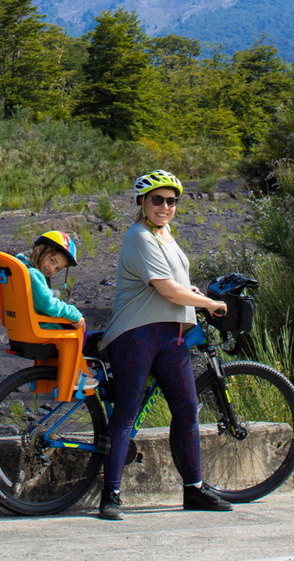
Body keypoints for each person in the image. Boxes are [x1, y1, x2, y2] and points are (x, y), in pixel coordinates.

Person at [97, 170, 229, 521]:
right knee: (126, 411)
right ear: (143, 202)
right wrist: (209, 305)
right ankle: (110, 495)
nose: (165, 206)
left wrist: (197, 295)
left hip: (172, 334)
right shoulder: (139, 236)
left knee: (187, 410)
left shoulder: (165, 234)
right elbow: (167, 289)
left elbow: (177, 281)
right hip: (136, 333)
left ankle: (194, 490)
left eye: (171, 201)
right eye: (158, 199)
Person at [16, 230, 97, 391]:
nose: (51, 269)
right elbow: (49, 305)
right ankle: (75, 374)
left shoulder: (22, 267)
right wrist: (73, 313)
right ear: (39, 249)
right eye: (52, 261)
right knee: (80, 327)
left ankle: (68, 372)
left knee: (73, 324)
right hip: (39, 327)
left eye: (57, 269)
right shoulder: (33, 275)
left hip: (25, 323)